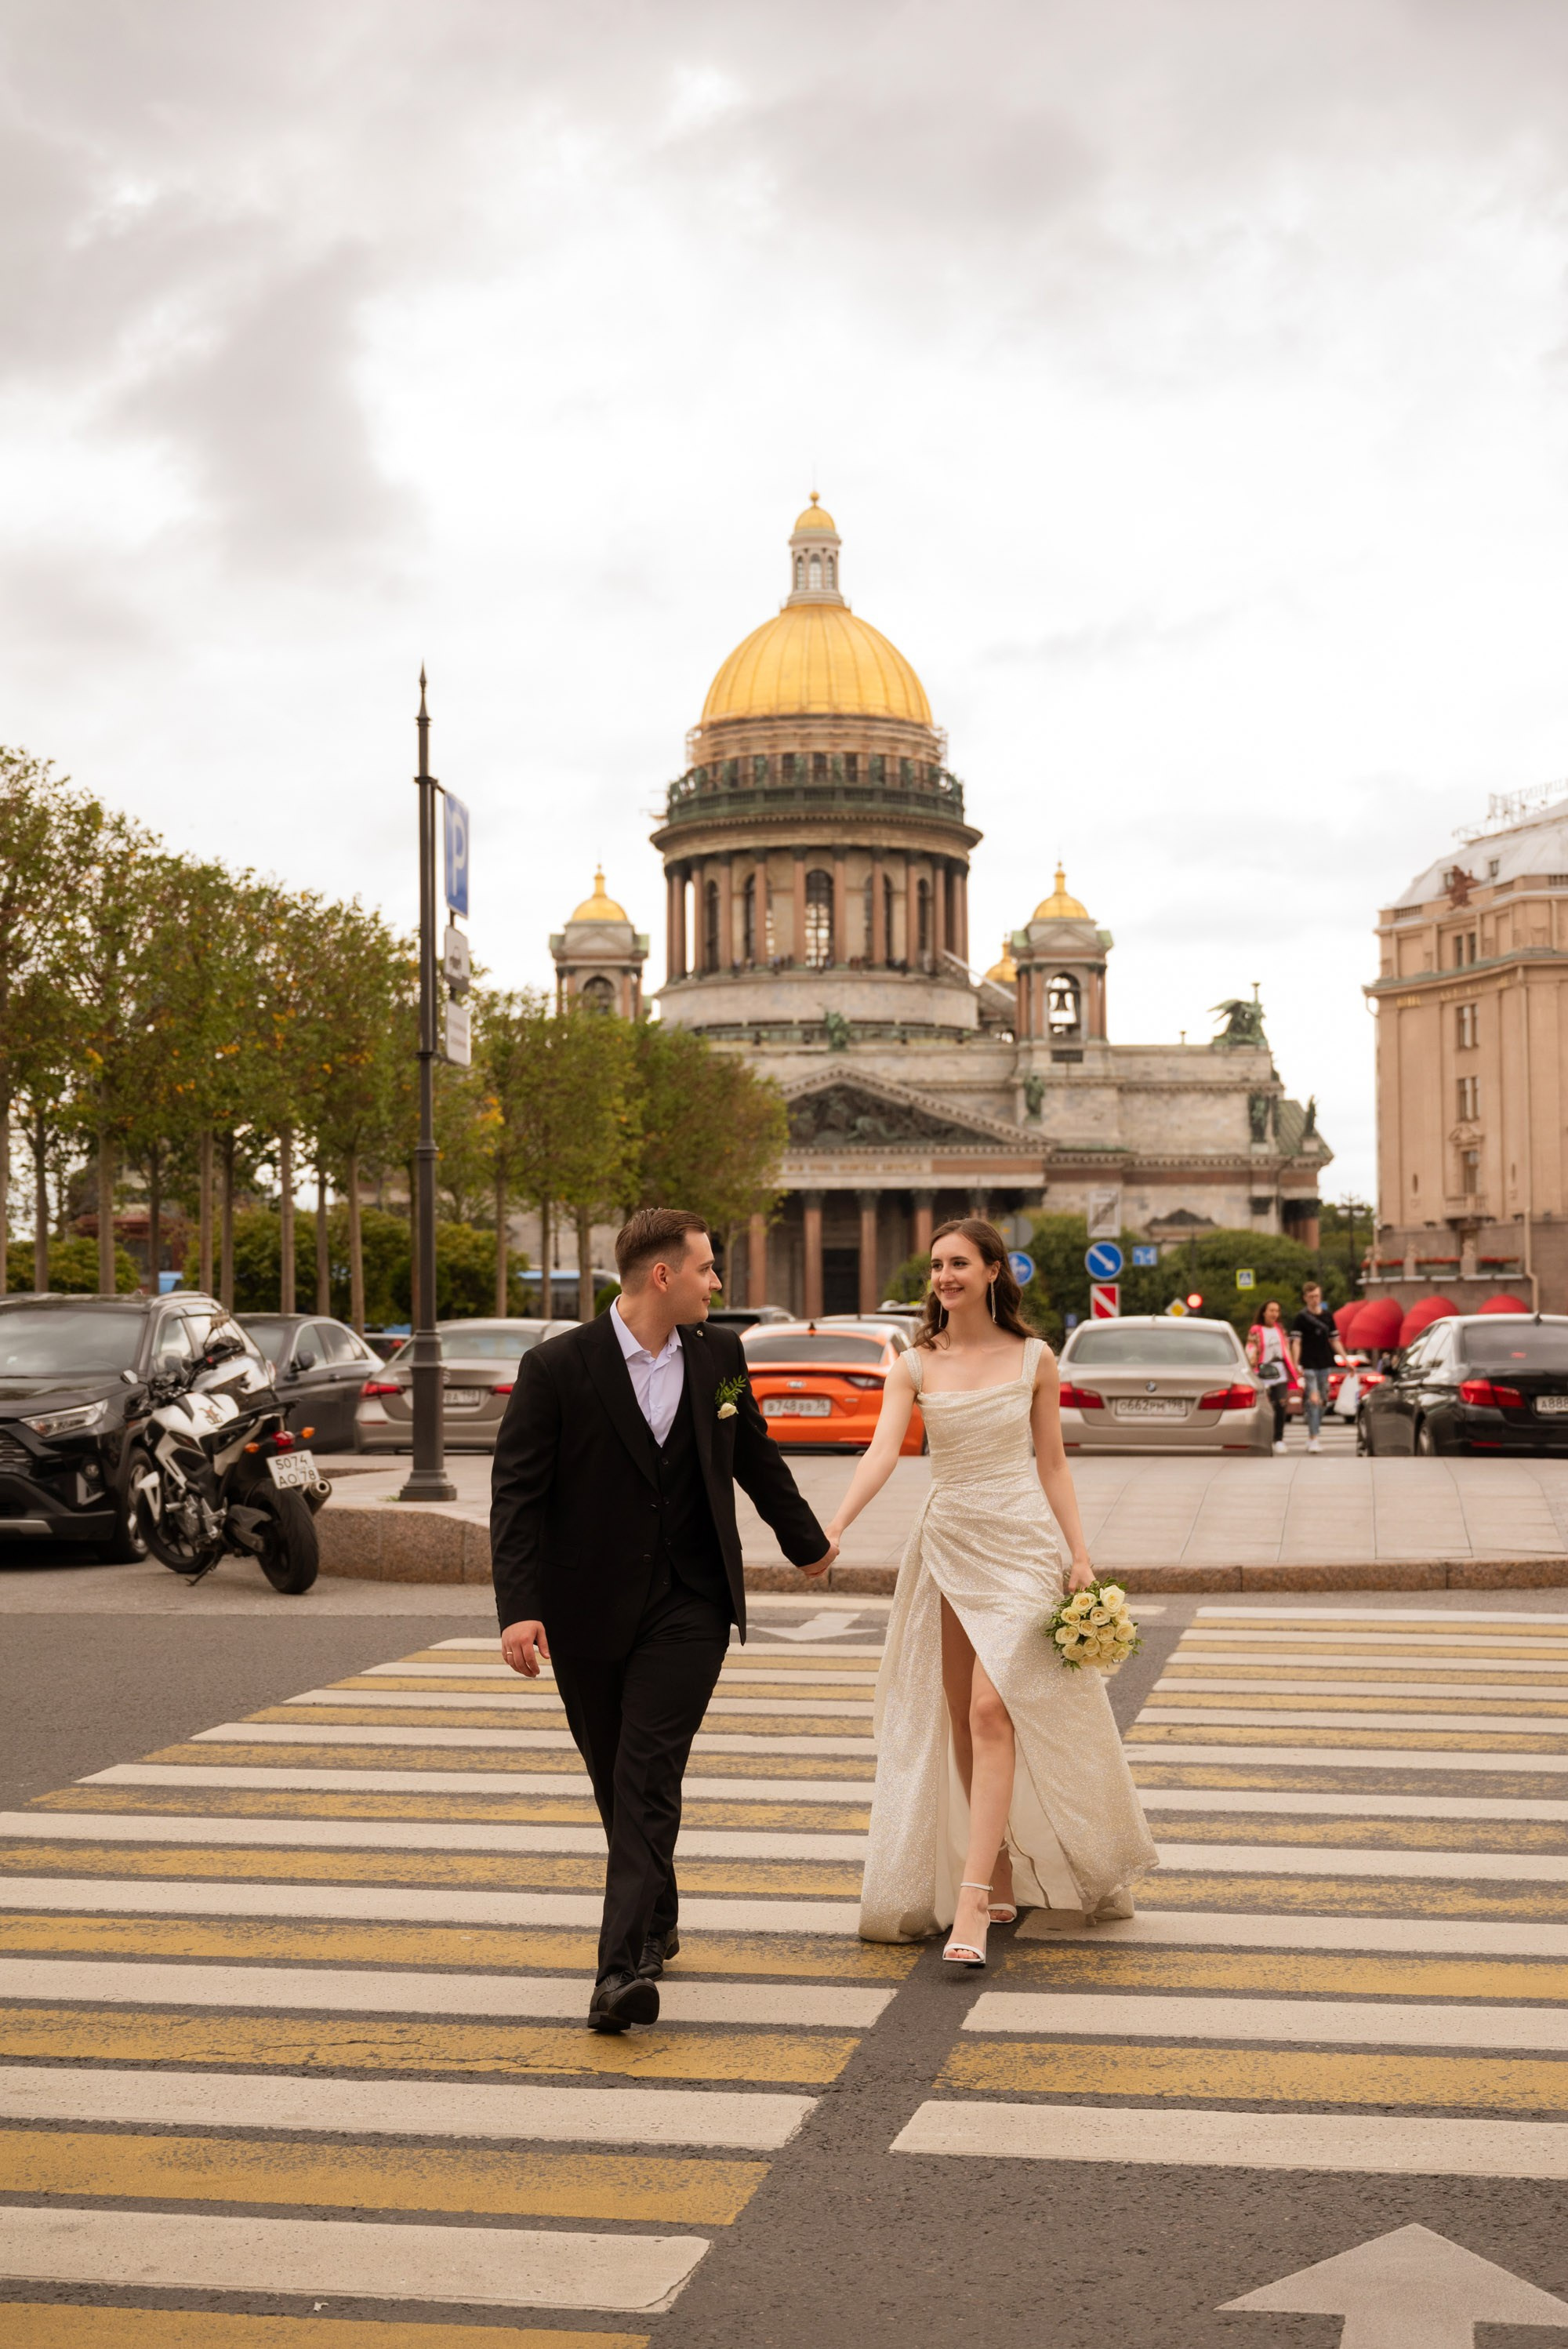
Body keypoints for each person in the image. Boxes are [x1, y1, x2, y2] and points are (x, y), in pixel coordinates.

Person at [490, 1207, 837, 2033]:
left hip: (692, 1601)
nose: (716, 1283)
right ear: (661, 1275)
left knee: (644, 1772)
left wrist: (806, 1543)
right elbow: (518, 1496)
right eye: (707, 1268)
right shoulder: (557, 1367)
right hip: (586, 1607)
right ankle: (659, 1906)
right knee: (619, 1773)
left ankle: (619, 1971)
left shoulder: (719, 1355)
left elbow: (749, 1451)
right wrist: (519, 1607)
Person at [822, 1218, 1157, 1967]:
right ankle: (998, 1865)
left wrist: (1079, 1553)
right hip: (948, 1544)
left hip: (1023, 1546)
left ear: (996, 1272)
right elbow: (882, 1453)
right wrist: (836, 1525)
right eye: (938, 1266)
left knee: (990, 1706)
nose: (944, 1277)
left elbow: (1054, 1465)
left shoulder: (1036, 1357)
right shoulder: (913, 1363)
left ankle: (972, 1901)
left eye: (959, 1264)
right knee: (957, 1713)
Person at [1290, 1279, 1344, 1454]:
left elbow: (1335, 1340)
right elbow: (1296, 1342)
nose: (1315, 1299)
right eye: (1312, 1296)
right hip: (1308, 1364)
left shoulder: (1328, 1316)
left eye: (1317, 1296)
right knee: (1314, 1400)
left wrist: (1346, 1360)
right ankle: (1314, 1438)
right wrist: (1296, 1363)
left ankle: (1313, 1430)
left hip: (1325, 1363)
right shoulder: (1301, 1318)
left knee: (1323, 1401)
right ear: (1305, 1297)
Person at [1247, 1298, 1298, 1453]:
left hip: (1280, 1372)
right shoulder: (1256, 1330)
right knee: (1263, 1406)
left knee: (1281, 1405)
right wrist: (1251, 1363)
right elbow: (1251, 1347)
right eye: (1271, 1310)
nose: (1275, 1314)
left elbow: (1286, 1350)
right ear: (1264, 1313)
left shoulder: (1280, 1330)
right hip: (1262, 1373)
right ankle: (1262, 1438)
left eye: (1277, 1311)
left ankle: (1279, 1439)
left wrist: (1294, 1368)